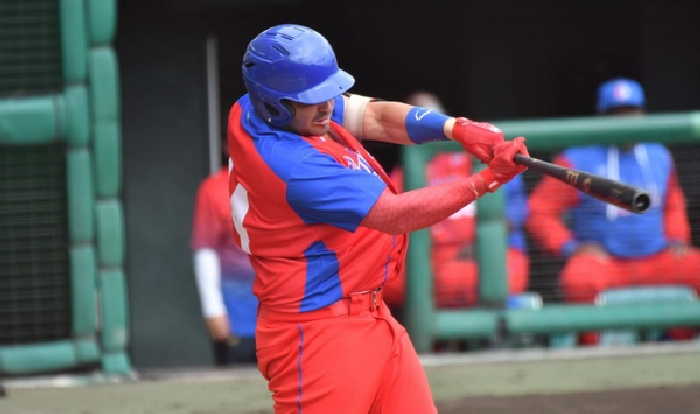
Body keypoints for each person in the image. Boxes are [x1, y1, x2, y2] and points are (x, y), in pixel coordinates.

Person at [227, 24, 529, 413]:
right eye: (312, 99)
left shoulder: (255, 107)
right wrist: (485, 181)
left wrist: (456, 127)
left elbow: (373, 117)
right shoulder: (292, 165)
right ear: (275, 103)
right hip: (317, 332)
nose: (327, 107)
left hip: (372, 315)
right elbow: (394, 215)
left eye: (328, 93)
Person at [527, 78, 700, 341]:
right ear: (601, 117)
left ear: (643, 114)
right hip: (606, 262)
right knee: (579, 279)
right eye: (615, 114)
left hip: (656, 258)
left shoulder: (658, 154)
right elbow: (539, 212)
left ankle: (680, 345)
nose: (625, 121)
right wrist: (570, 247)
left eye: (631, 112)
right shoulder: (577, 157)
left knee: (695, 267)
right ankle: (595, 357)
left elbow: (673, 205)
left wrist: (677, 239)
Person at [384, 92, 529, 309]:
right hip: (432, 258)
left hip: (490, 254)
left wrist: (480, 242)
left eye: (430, 117)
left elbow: (517, 212)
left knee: (459, 278)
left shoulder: (480, 152)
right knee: (382, 281)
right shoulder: (404, 173)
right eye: (415, 121)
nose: (424, 126)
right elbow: (390, 224)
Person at [191, 166, 258, 365]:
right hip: (238, 311)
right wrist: (212, 309)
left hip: (290, 310)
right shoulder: (214, 187)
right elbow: (206, 249)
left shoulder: (291, 176)